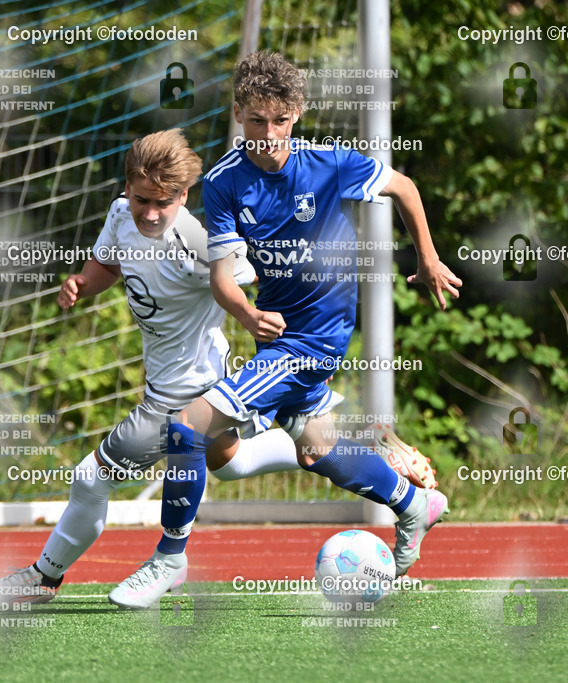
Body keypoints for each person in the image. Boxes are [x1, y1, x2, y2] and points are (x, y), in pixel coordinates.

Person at [108, 51, 462, 609]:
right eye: (254, 121)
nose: (266, 134)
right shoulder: (225, 183)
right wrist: (247, 315)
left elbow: (404, 186)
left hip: (317, 337)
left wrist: (429, 256)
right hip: (273, 330)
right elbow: (224, 279)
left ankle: (168, 559)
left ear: (296, 115)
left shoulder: (330, 163)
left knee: (185, 429)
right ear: (238, 115)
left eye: (278, 120)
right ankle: (411, 504)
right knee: (317, 449)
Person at [0, 129, 304, 604]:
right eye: (141, 199)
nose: (150, 213)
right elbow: (108, 265)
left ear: (184, 196)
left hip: (183, 398)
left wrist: (273, 327)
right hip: (187, 383)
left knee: (91, 477)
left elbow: (262, 282)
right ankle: (331, 448)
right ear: (127, 187)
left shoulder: (200, 242)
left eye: (163, 202)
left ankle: (43, 579)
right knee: (228, 463)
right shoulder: (119, 215)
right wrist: (82, 284)